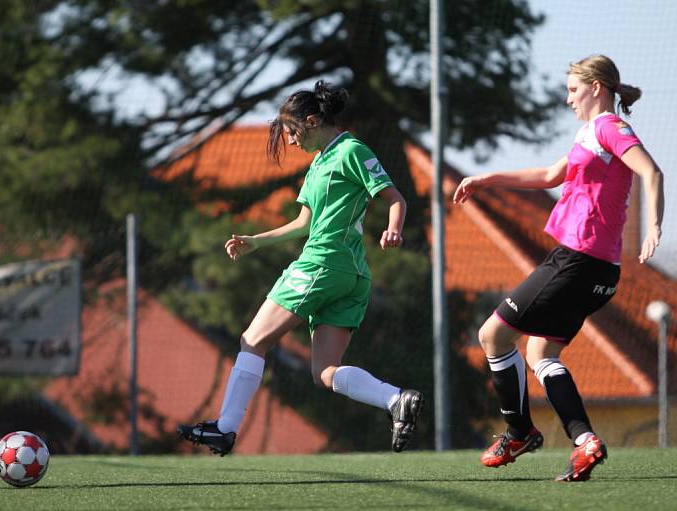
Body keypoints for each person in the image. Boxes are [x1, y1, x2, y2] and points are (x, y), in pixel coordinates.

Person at [177, 81, 423, 455]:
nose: (291, 141)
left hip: (323, 264)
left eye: (292, 132)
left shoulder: (351, 150)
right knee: (325, 372)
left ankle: (225, 429)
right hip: (350, 276)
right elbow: (303, 223)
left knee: (252, 340)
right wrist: (256, 241)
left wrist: (393, 229)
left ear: (312, 120)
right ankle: (395, 400)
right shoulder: (319, 163)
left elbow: (395, 197)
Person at [453, 54, 664, 482]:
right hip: (595, 269)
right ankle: (585, 441)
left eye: (572, 89)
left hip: (579, 260)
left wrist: (654, 226)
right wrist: (485, 179)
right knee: (540, 351)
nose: (567, 98)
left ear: (597, 88)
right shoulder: (589, 133)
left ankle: (519, 432)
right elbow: (550, 175)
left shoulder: (608, 126)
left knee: (493, 334)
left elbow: (651, 172)